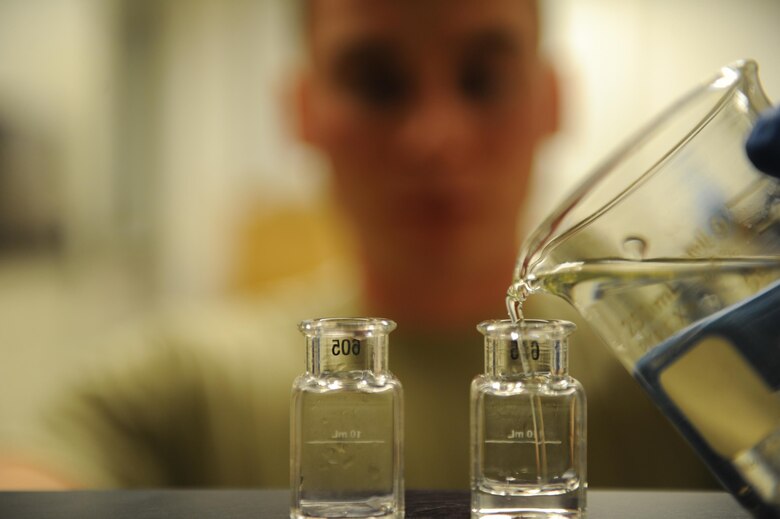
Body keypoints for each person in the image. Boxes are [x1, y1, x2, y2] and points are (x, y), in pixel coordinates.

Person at [4, 0, 777, 491]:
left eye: (481, 78)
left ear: (551, 99)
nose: (434, 136)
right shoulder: (186, 382)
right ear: (302, 111)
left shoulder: (684, 371)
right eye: (378, 82)